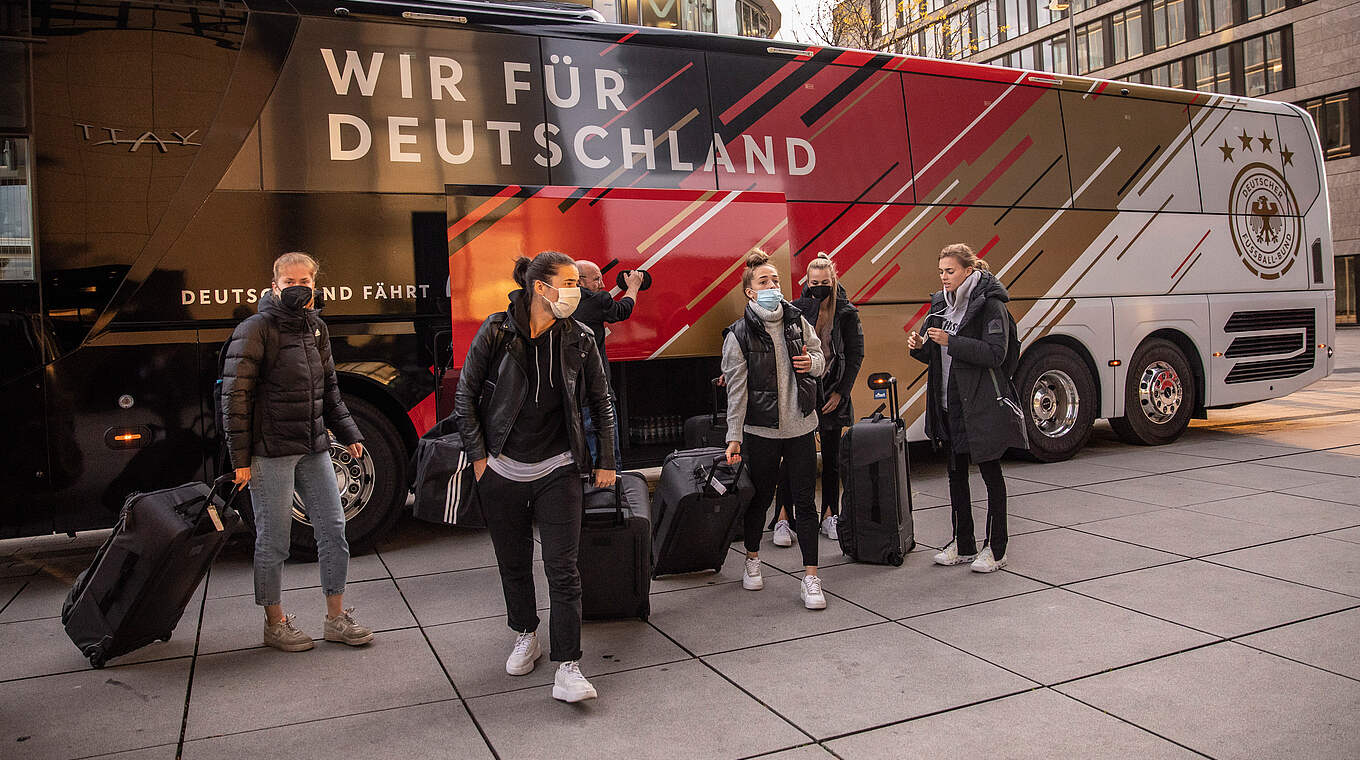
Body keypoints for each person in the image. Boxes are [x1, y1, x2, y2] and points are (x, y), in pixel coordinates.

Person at [453, 250, 617, 703]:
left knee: (563, 568)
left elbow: (601, 401)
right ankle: (526, 633)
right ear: (540, 287)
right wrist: (480, 459)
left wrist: (606, 459)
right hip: (501, 468)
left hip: (558, 467)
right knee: (514, 562)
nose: (576, 291)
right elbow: (465, 396)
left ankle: (569, 667)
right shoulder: (497, 331)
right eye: (569, 283)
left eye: (577, 283)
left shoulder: (580, 337)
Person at [221, 251, 374, 652]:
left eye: (304, 281)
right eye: (289, 282)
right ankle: (275, 623)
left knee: (334, 530)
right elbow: (235, 398)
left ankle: (336, 618)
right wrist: (240, 461)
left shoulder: (316, 328)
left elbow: (329, 388)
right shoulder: (255, 329)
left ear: (314, 285)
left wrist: (349, 432)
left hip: (313, 445)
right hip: (270, 451)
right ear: (274, 286)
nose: (297, 288)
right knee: (274, 540)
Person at [907, 243, 1028, 573]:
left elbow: (996, 353)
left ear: (968, 270)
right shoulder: (940, 304)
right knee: (956, 474)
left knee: (990, 474)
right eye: (941, 272)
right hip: (950, 403)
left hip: (981, 403)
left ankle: (996, 549)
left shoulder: (991, 304)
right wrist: (919, 347)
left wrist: (952, 342)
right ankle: (963, 544)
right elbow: (935, 354)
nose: (944, 277)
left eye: (950, 271)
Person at [721, 251, 827, 609]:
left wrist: (811, 363)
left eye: (776, 280)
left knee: (805, 503)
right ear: (750, 292)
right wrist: (734, 437)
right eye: (764, 282)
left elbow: (820, 358)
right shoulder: (738, 334)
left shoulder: (797, 321)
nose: (772, 286)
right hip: (762, 431)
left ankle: (810, 577)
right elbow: (737, 391)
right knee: (761, 499)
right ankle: (752, 559)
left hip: (801, 426)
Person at [771, 253, 864, 544]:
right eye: (814, 282)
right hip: (803, 392)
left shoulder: (846, 312)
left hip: (833, 391)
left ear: (833, 282)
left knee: (833, 458)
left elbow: (855, 354)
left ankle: (830, 515)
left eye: (825, 282)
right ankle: (783, 518)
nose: (819, 287)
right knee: (793, 458)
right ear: (807, 283)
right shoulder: (796, 309)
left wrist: (841, 392)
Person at [572, 259, 644, 465]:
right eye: (596, 280)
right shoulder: (594, 301)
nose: (602, 285)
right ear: (579, 282)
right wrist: (633, 287)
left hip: (570, 398)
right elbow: (622, 310)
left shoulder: (556, 304)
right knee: (607, 459)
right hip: (596, 396)